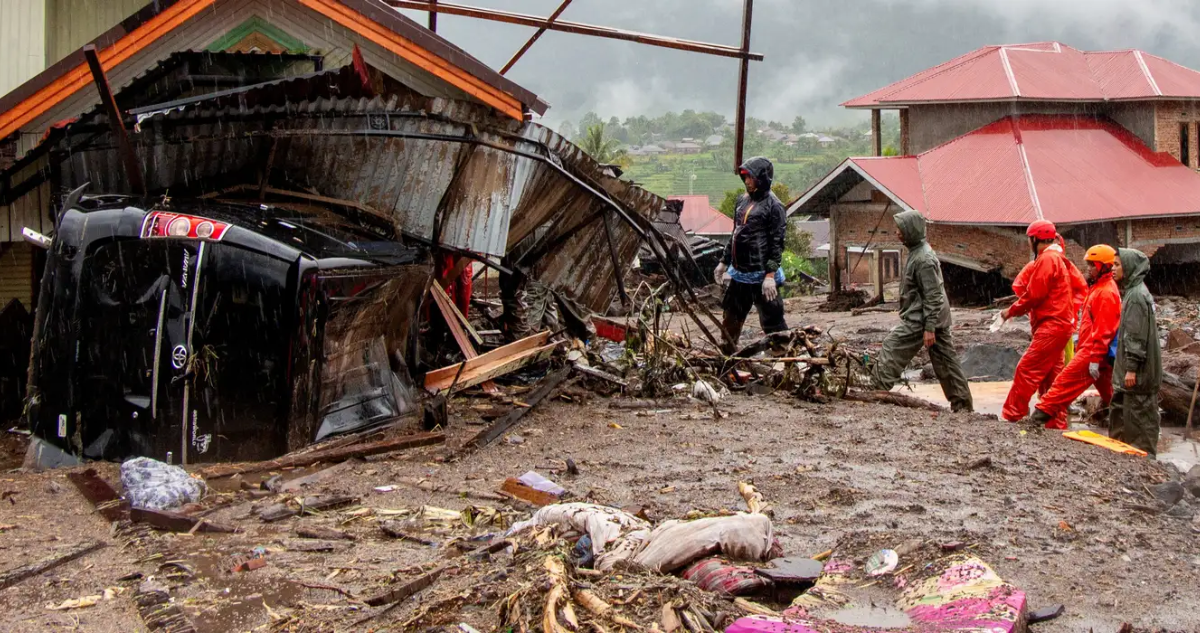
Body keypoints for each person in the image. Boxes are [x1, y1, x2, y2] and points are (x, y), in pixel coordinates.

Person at [870, 210, 973, 412]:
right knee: (946, 363)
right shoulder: (918, 251)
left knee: (893, 347)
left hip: (922, 320)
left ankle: (875, 390)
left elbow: (933, 294)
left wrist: (929, 327)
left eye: (901, 229)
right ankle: (963, 406)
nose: (897, 232)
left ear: (911, 230)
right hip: (931, 317)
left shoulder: (923, 258)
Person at [1000, 220, 1087, 423]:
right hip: (1061, 325)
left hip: (1052, 325)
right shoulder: (1059, 259)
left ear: (1035, 239)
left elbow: (1033, 295)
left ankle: (1013, 416)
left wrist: (1010, 311)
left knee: (1026, 370)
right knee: (1051, 377)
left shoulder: (1047, 260)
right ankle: (1055, 422)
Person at [1027, 245, 1121, 429]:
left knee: (1061, 386)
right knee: (1114, 396)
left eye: (1092, 265)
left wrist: (1093, 358)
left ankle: (1034, 421)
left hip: (1092, 352)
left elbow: (1104, 330)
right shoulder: (1100, 288)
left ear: (1104, 266)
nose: (1089, 269)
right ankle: (1126, 428)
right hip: (1095, 352)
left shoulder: (1106, 292)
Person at [714, 157, 788, 353]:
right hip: (740, 275)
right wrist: (724, 261)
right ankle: (727, 358)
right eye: (745, 177)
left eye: (750, 177)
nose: (746, 181)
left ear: (762, 179)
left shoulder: (775, 206)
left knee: (773, 320)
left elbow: (777, 243)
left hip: (762, 276)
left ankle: (782, 361)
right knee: (731, 317)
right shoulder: (742, 201)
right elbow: (735, 234)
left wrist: (770, 276)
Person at [1110, 248, 1162, 457]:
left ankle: (1143, 458)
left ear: (1128, 267)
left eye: (1117, 265)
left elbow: (1135, 336)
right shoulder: (1135, 292)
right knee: (1124, 413)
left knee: (1139, 419)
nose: (1112, 269)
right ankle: (1122, 454)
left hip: (1138, 375)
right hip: (1136, 374)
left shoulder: (1136, 297)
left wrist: (1131, 369)